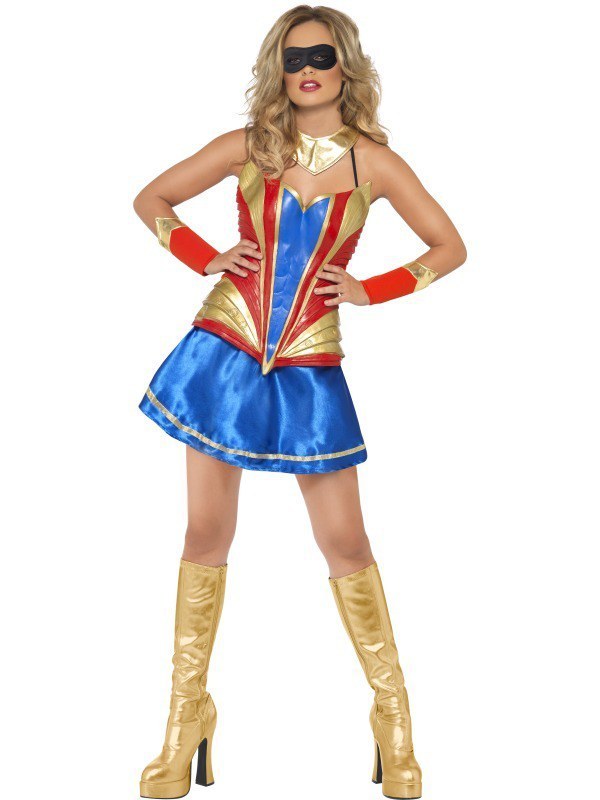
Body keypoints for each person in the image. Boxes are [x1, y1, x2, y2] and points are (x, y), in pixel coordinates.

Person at [133, 6, 467, 799]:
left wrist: (374, 288)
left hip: (311, 364)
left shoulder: (374, 163)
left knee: (345, 540)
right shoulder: (250, 146)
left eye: (321, 55)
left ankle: (393, 721)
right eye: (293, 59)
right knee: (205, 532)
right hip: (224, 352)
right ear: (277, 70)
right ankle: (186, 718)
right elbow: (152, 198)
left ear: (346, 64)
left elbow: (450, 246)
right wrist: (203, 255)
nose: (308, 69)